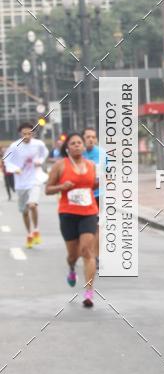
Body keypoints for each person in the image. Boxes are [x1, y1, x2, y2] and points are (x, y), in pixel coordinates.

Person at [45, 132, 99, 308]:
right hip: (68, 213)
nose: (77, 145)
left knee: (87, 250)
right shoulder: (60, 166)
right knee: (73, 255)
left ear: (83, 147)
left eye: (79, 143)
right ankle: (70, 267)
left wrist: (104, 182)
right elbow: (48, 189)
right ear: (67, 148)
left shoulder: (91, 165)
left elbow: (93, 184)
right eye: (73, 143)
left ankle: (89, 292)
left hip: (89, 211)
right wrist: (62, 186)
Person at [3, 122, 49, 248]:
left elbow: (44, 153)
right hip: (20, 183)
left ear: (33, 133)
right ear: (20, 134)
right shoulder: (14, 146)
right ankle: (29, 233)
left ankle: (36, 230)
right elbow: (6, 161)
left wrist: (40, 161)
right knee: (24, 211)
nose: (27, 136)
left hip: (34, 180)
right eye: (24, 134)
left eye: (29, 133)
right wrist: (14, 169)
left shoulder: (38, 144)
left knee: (32, 205)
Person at [82, 126, 103, 266]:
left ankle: (96, 256)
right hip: (81, 196)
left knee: (97, 226)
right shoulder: (78, 153)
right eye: (88, 137)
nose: (91, 139)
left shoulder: (102, 154)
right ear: (83, 139)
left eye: (93, 137)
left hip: (98, 195)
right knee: (84, 228)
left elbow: (108, 174)